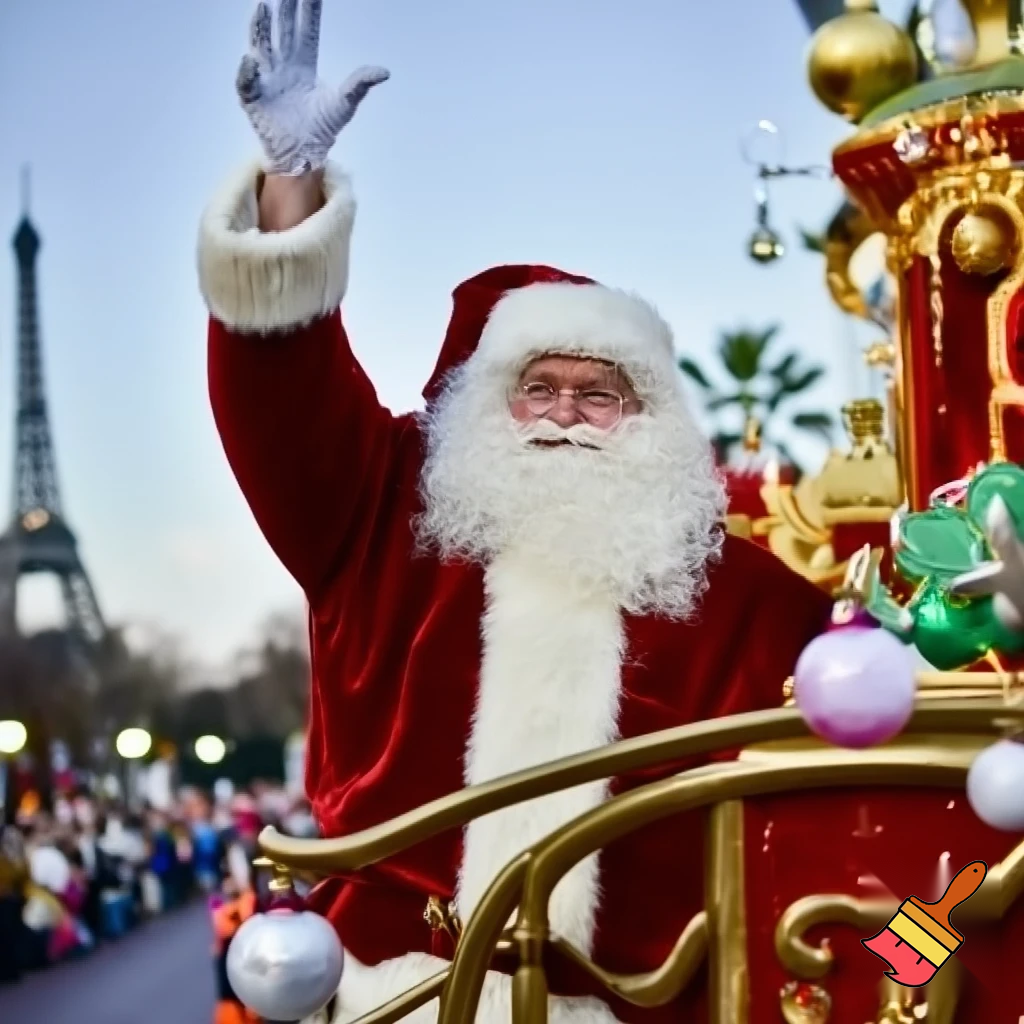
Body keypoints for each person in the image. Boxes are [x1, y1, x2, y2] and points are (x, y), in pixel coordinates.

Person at [197, 2, 833, 1021]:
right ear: (486, 405)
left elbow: (878, 796)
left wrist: (911, 958)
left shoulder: (746, 600)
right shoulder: (384, 516)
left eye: (602, 393)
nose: (567, 417)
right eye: (539, 387)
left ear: (652, 422)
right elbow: (280, 401)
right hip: (390, 998)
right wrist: (289, 195)